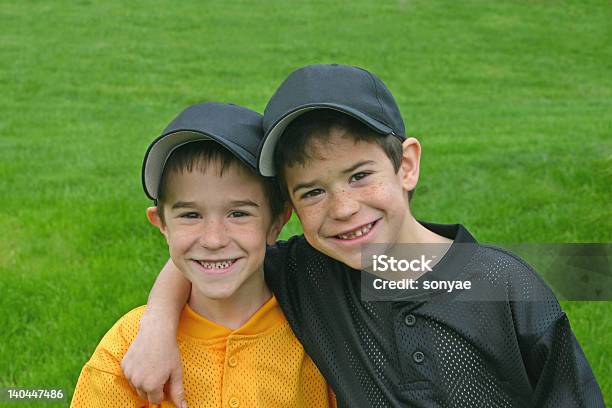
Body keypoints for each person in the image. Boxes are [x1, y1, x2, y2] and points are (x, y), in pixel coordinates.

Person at [121, 65, 604, 407]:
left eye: (358, 175)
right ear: (288, 212)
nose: (343, 209)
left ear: (407, 164)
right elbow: (216, 249)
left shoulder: (499, 283)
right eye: (312, 191)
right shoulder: (312, 273)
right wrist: (157, 327)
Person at [71, 102, 335, 408]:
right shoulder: (128, 347)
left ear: (277, 222)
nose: (213, 239)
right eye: (190, 215)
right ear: (162, 224)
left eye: (238, 213)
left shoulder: (317, 332)